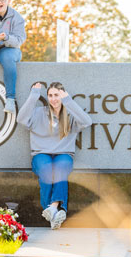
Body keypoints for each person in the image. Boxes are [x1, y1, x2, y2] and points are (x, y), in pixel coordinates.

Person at [17, 82, 92, 229]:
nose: (53, 99)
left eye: (56, 95)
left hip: (63, 154)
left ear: (62, 95)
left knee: (61, 167)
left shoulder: (70, 115)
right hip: (41, 154)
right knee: (46, 169)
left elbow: (87, 121)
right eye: (50, 95)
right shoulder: (39, 112)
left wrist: (68, 101)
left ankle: (52, 208)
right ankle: (55, 210)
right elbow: (21, 119)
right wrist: (34, 95)